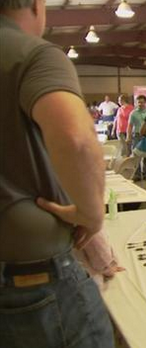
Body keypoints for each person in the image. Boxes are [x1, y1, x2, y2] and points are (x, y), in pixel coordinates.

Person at [0, 0, 115, 346]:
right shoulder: (31, 54)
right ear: (36, 5)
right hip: (29, 281)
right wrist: (90, 213)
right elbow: (77, 140)